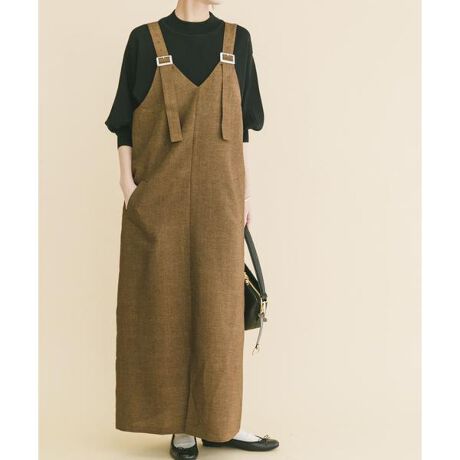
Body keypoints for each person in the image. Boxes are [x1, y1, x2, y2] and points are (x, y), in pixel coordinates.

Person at [105, 1, 279, 458]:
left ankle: (222, 422)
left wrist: (244, 195)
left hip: (220, 200)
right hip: (157, 201)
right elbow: (123, 124)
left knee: (220, 314)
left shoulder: (238, 41)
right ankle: (180, 425)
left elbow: (243, 129)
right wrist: (128, 187)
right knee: (162, 307)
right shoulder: (144, 41)